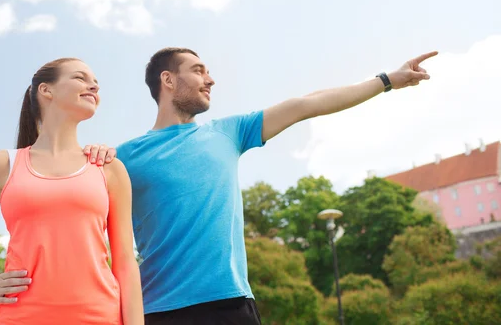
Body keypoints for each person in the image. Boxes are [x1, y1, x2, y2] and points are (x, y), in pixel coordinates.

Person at [85, 47, 437, 325]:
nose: (210, 79)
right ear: (168, 80)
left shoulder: (228, 132)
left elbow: (305, 105)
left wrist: (387, 80)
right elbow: (70, 215)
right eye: (198, 70)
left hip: (231, 305)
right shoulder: (124, 158)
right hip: (159, 311)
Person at [0, 58, 144, 325]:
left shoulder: (108, 168)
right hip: (22, 317)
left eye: (96, 82)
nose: (93, 86)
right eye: (80, 78)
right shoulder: (2, 165)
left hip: (101, 317)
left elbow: (125, 263)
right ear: (46, 90)